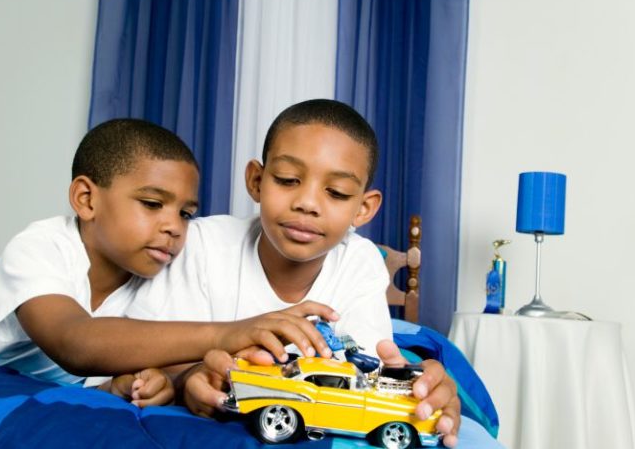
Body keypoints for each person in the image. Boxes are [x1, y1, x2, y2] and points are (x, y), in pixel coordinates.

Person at [128, 100, 461, 445]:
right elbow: (142, 345)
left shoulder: (359, 262)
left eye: (337, 192)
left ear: (363, 208)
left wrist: (411, 384)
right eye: (288, 180)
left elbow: (362, 371)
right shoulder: (202, 244)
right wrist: (188, 378)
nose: (308, 203)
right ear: (256, 181)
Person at [0, 118, 336, 407]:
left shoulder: (158, 279)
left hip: (32, 387)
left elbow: (104, 365)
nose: (173, 226)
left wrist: (128, 386)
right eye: (152, 204)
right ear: (86, 199)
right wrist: (228, 332)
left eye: (187, 213)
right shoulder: (40, 247)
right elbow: (75, 343)